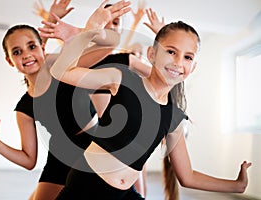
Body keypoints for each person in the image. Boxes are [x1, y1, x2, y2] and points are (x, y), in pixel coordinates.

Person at [42, 1, 252, 199]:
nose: (178, 62)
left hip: (124, 194)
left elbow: (187, 177)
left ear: (193, 68)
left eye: (188, 57)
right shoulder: (122, 79)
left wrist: (237, 185)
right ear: (151, 54)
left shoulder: (174, 117)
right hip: (87, 187)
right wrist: (91, 29)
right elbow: (61, 72)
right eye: (171, 52)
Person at [0, 1, 131, 200]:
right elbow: (29, 160)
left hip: (91, 151)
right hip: (59, 159)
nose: (26, 55)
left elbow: (111, 43)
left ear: (42, 49)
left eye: (31, 46)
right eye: (17, 52)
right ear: (10, 61)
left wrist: (82, 31)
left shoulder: (64, 67)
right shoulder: (24, 107)